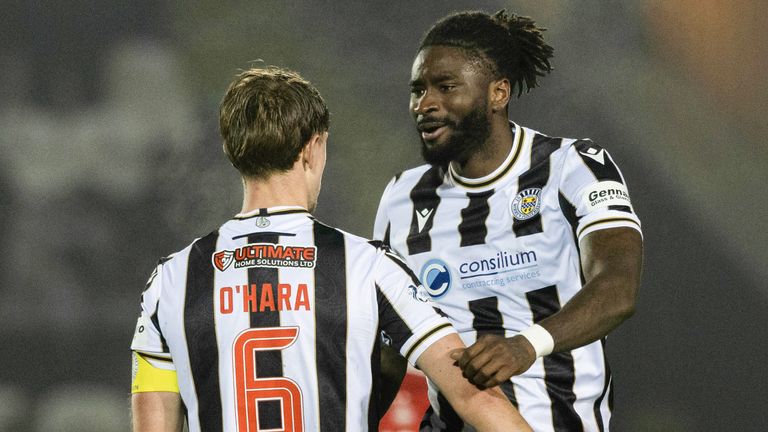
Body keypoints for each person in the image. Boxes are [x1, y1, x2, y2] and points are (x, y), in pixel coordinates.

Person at [130, 66, 531, 432]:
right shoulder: (370, 268)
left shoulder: (171, 280)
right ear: (313, 147)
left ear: (234, 151)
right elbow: (472, 395)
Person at [373, 10, 643, 432]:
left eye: (445, 87)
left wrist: (525, 346)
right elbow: (388, 353)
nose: (425, 104)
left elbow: (617, 289)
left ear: (498, 93)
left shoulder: (573, 167)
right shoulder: (402, 198)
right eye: (418, 89)